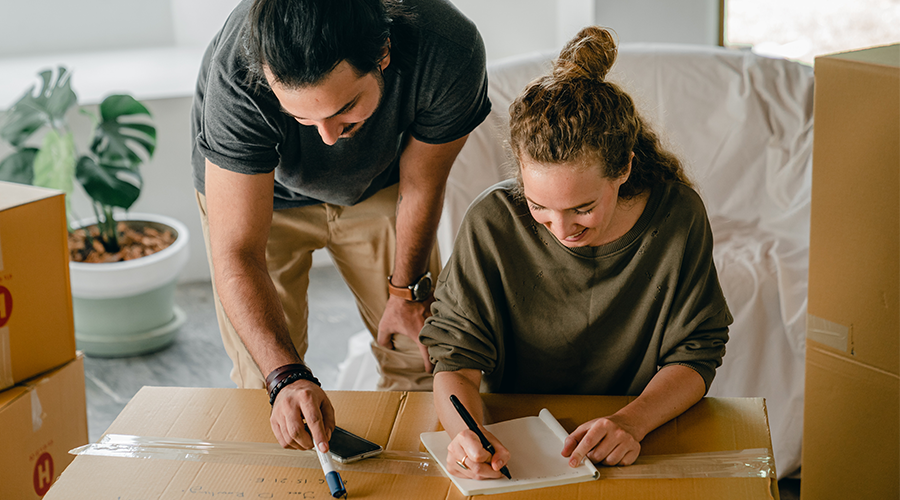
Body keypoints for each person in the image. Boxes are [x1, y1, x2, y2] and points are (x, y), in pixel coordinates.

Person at [420, 26, 732, 480]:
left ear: (623, 166)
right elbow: (456, 361)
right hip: (513, 442)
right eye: (538, 207)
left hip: (633, 438)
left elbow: (696, 352)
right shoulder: (491, 222)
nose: (562, 230)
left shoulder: (677, 216)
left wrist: (632, 421)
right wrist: (464, 435)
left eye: (583, 208)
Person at [190, 0, 490, 453]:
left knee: (420, 356)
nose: (327, 137)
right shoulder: (237, 71)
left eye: (345, 108)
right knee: (267, 385)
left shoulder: (448, 48)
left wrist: (405, 292)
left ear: (383, 54)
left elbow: (423, 182)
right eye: (302, 117)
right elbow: (238, 251)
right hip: (260, 194)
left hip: (383, 184)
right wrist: (286, 378)